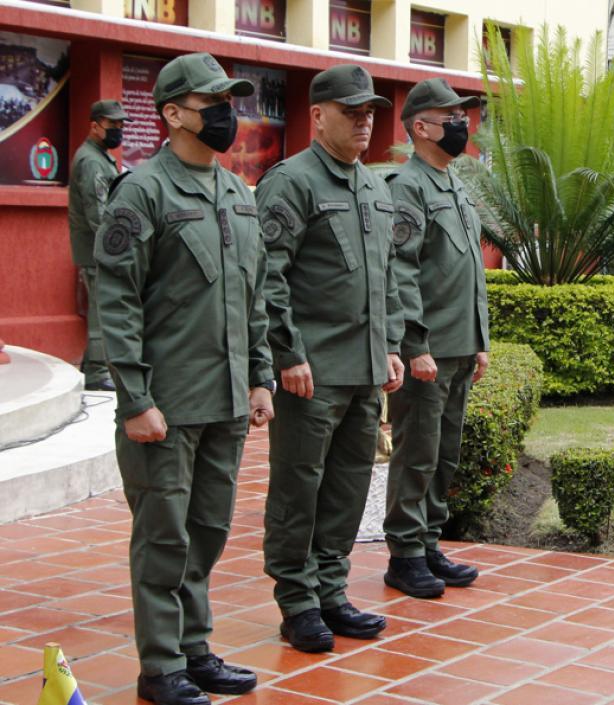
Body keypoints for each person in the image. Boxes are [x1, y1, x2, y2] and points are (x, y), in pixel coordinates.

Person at [94, 52, 272, 705]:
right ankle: (160, 664)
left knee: (208, 529)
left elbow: (254, 295)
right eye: (212, 103)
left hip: (225, 400)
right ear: (172, 113)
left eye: (231, 102)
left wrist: (259, 376)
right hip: (165, 403)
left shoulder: (235, 192)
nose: (227, 115)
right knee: (164, 534)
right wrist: (135, 397)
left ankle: (194, 646)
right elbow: (116, 299)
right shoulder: (142, 191)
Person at [256, 64, 403, 653]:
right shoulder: (291, 182)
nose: (364, 122)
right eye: (352, 112)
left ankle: (332, 590)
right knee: (299, 486)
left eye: (370, 113)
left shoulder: (372, 185)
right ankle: (296, 602)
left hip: (365, 370)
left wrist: (392, 345)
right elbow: (268, 277)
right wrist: (286, 353)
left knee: (346, 485)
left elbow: (386, 276)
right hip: (311, 372)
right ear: (318, 116)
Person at [382, 77, 487, 596]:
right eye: (450, 117)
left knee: (444, 453)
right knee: (417, 451)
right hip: (428, 350)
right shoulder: (408, 187)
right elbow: (401, 272)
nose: (461, 125)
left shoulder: (454, 184)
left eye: (461, 117)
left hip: (460, 345)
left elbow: (470, 271)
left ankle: (427, 541)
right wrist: (414, 346)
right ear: (420, 127)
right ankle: (403, 553)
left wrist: (480, 338)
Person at [68, 99, 129, 391]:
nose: (118, 130)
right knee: (100, 311)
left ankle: (94, 366)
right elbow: (99, 214)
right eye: (112, 125)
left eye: (120, 125)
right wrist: (118, 250)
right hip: (98, 252)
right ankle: (96, 372)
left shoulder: (99, 156)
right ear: (95, 126)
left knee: (101, 308)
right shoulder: (92, 160)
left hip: (98, 250)